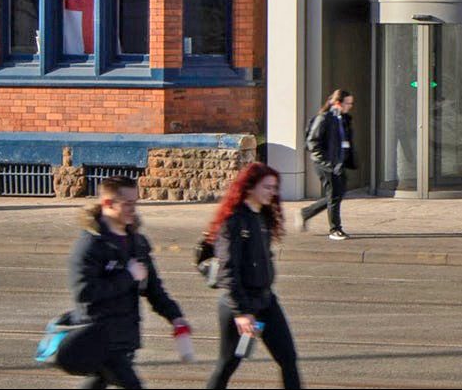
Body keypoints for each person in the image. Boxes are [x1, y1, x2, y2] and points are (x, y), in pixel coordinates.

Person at [60, 177, 192, 390]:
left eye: (135, 203)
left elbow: (153, 288)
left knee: (97, 383)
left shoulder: (136, 242)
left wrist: (175, 317)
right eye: (128, 204)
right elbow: (84, 293)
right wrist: (128, 276)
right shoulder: (90, 246)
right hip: (100, 336)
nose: (134, 209)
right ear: (108, 204)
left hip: (124, 336)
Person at [202, 162, 302, 389]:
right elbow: (228, 270)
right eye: (267, 187)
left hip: (265, 301)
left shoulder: (262, 217)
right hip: (240, 305)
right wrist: (242, 312)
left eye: (274, 187)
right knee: (228, 363)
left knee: (288, 358)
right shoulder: (233, 221)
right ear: (249, 188)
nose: (272, 192)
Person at [297, 90, 356, 241]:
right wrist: (327, 162)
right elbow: (312, 142)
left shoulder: (342, 119)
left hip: (337, 164)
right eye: (347, 103)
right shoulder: (324, 118)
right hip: (326, 165)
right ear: (338, 103)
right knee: (334, 196)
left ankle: (306, 213)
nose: (350, 106)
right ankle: (335, 229)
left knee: (337, 194)